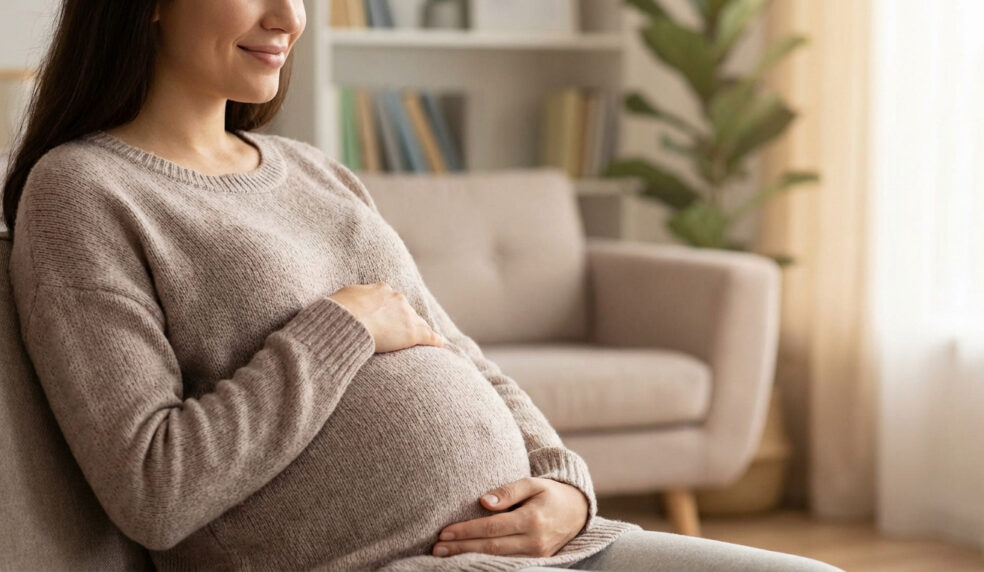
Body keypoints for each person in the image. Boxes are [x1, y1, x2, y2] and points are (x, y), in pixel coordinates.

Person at [1, 1, 842, 571]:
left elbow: (460, 352)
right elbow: (155, 487)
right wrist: (339, 330)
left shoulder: (314, 173)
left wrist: (566, 487)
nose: (290, 17)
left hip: (555, 549)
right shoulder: (86, 191)